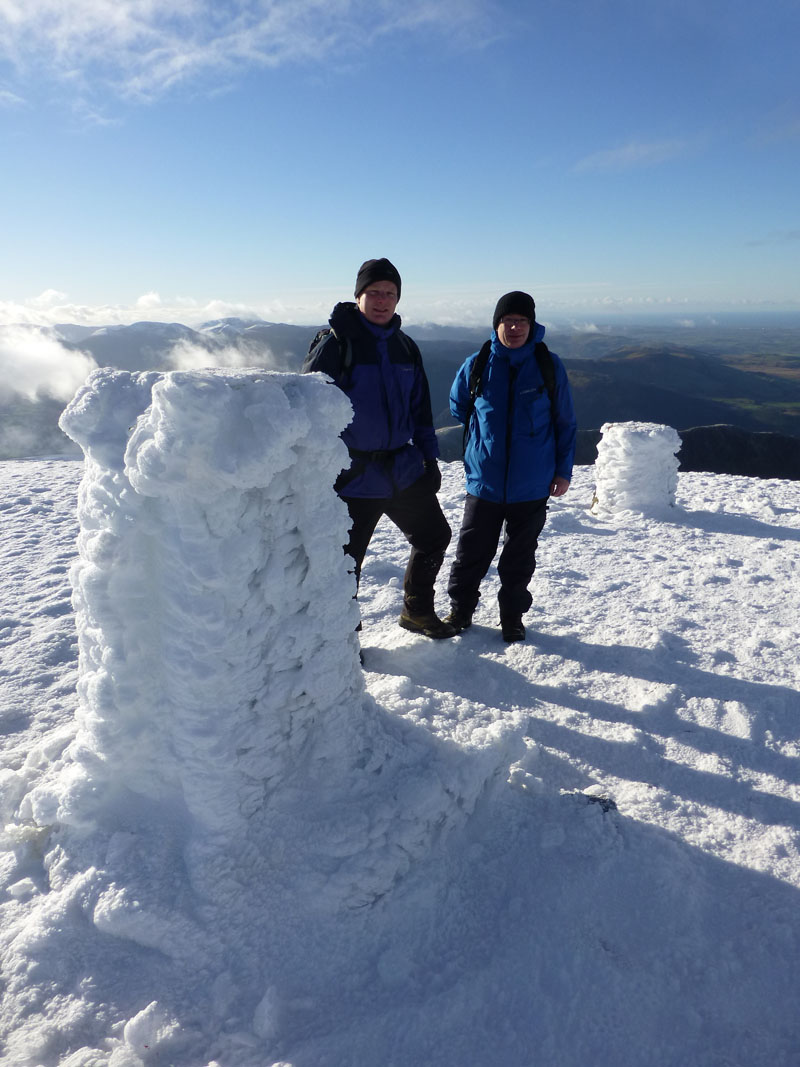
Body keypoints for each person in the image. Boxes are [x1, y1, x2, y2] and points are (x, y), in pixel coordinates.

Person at [303, 258, 456, 639]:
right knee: (344, 565)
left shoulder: (405, 347)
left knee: (434, 536)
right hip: (352, 476)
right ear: (358, 297)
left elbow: (420, 408)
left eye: (390, 293)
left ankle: (416, 611)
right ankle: (343, 643)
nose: (382, 300)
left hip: (401, 469)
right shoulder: (337, 344)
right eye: (374, 293)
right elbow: (308, 408)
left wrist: (428, 457)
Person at [445, 291, 577, 642]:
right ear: (496, 324)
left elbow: (565, 422)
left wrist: (563, 471)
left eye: (521, 321)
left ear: (532, 326)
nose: (515, 327)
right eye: (507, 321)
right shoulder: (477, 364)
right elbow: (460, 406)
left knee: (519, 558)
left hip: (532, 484)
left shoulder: (549, 366)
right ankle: (460, 611)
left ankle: (512, 618)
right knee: (472, 552)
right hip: (484, 482)